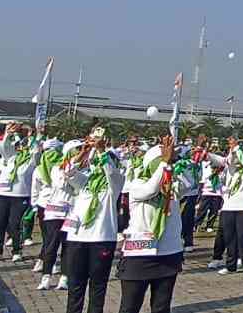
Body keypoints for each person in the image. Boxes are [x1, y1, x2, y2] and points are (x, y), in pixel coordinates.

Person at [118, 136, 186, 313]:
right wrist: (164, 164)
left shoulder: (173, 185)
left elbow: (189, 184)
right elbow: (150, 190)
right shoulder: (137, 183)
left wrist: (180, 164)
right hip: (139, 255)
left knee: (161, 307)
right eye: (167, 158)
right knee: (129, 307)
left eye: (172, 158)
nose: (172, 161)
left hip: (168, 254)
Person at [62, 128, 125, 313]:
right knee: (75, 285)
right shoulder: (85, 181)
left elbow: (111, 173)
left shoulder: (116, 182)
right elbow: (67, 172)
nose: (97, 165)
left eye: (102, 161)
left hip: (102, 239)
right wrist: (84, 152)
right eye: (95, 162)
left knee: (98, 287)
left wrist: (101, 150)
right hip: (77, 238)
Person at [207, 138, 243, 277]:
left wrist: (236, 147)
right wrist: (205, 153)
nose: (242, 154)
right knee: (229, 237)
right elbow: (220, 160)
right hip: (229, 207)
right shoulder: (230, 169)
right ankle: (230, 265)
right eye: (242, 151)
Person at [0, 122, 37, 263]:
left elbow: (36, 151)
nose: (20, 148)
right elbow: (2, 147)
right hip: (2, 193)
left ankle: (17, 250)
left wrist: (33, 136)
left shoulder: (31, 161)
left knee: (15, 224)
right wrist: (8, 133)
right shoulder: (10, 158)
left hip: (20, 195)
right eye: (18, 146)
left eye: (23, 146)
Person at [32, 139, 68, 289]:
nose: (51, 157)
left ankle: (64, 277)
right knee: (50, 242)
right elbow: (36, 188)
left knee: (67, 245)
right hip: (48, 208)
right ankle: (46, 274)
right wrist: (34, 205)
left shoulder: (67, 169)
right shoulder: (46, 170)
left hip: (68, 211)